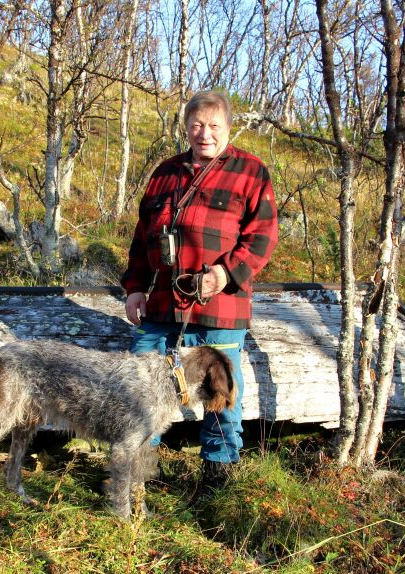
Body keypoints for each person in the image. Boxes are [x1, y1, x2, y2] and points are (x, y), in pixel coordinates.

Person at [120, 90, 278, 493]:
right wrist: (135, 288)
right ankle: (141, 475)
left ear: (227, 127)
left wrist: (225, 274)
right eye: (196, 125)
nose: (204, 134)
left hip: (220, 307)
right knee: (143, 387)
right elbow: (143, 239)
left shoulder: (251, 171)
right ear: (186, 127)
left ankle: (218, 477)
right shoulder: (164, 174)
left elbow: (262, 237)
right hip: (160, 307)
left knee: (220, 394)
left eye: (213, 126)